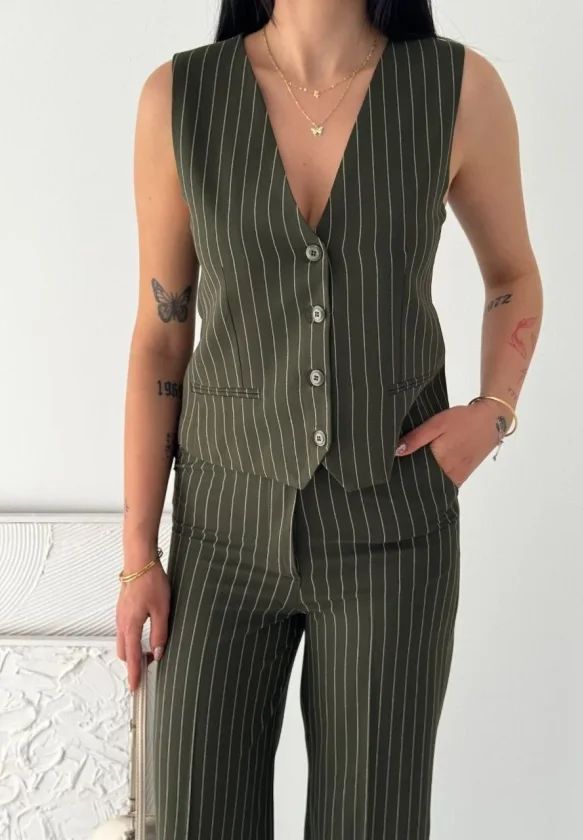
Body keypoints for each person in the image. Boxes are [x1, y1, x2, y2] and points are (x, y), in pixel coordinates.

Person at [116, 0, 543, 837]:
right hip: (219, 540)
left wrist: (495, 410)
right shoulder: (179, 98)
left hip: (395, 531)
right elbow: (162, 337)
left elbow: (513, 275)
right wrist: (139, 555)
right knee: (193, 818)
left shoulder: (458, 89)